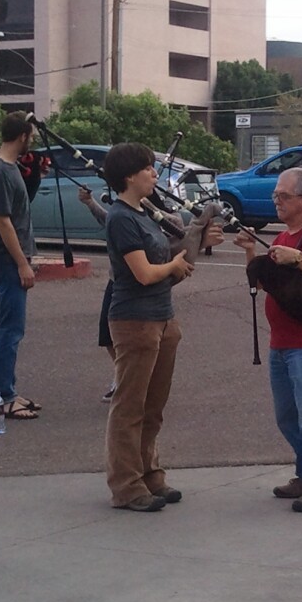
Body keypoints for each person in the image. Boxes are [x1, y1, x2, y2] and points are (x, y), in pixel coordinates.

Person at [102, 142, 222, 513]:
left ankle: (149, 474)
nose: (155, 174)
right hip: (134, 321)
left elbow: (168, 262)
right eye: (149, 169)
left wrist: (197, 243)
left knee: (153, 407)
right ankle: (126, 485)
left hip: (162, 318)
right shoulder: (120, 217)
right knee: (129, 407)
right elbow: (143, 273)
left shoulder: (144, 212)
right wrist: (172, 267)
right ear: (129, 177)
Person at [233, 167, 302, 513]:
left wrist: (300, 257)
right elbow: (267, 284)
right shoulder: (281, 238)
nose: (277, 201)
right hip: (280, 343)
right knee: (288, 417)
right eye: (275, 196)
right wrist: (251, 252)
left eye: (283, 196)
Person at [0, 111, 44, 420]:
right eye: (30, 136)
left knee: (13, 329)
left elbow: (18, 209)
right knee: (9, 330)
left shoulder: (10, 169)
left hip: (14, 258)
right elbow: (2, 221)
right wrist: (22, 264)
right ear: (22, 136)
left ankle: (9, 391)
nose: (31, 142)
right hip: (8, 261)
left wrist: (34, 177)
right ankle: (3, 398)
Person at [77, 187, 118, 402]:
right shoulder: (122, 205)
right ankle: (123, 376)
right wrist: (90, 203)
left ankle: (133, 381)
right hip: (116, 280)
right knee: (107, 333)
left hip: (137, 285)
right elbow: (111, 221)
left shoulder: (149, 204)